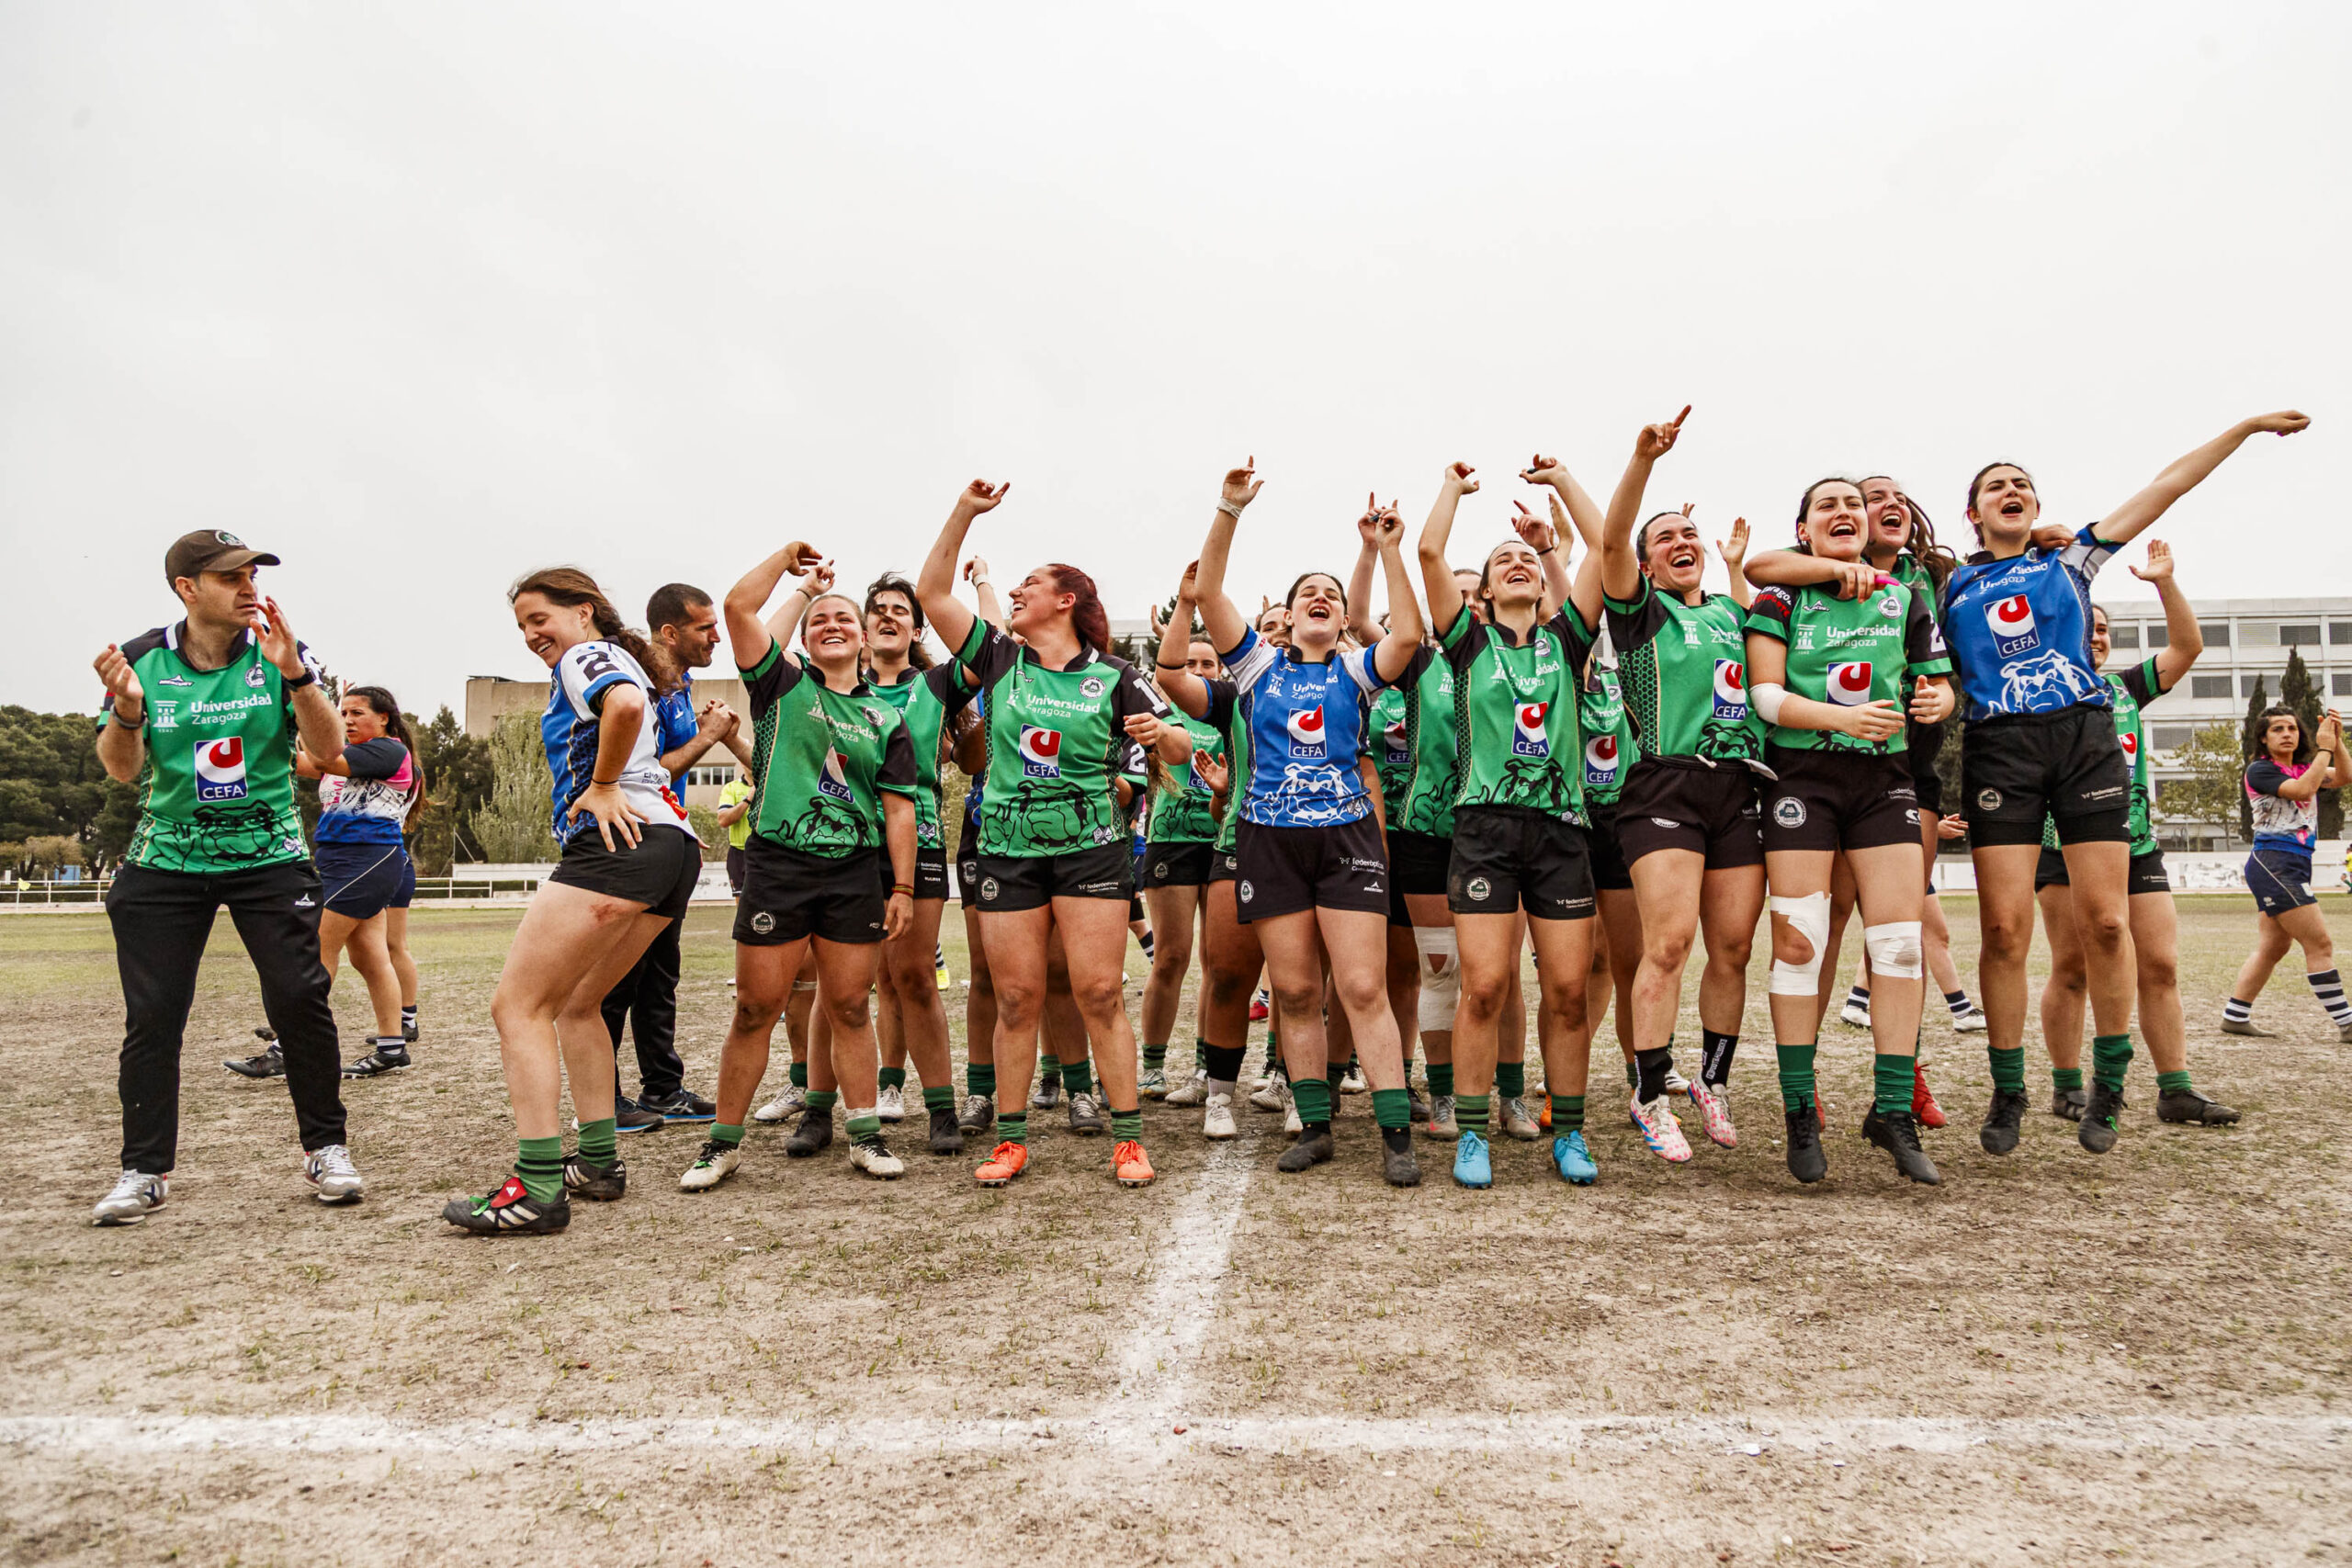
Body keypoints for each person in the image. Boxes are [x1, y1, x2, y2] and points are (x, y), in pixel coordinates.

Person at [1944, 412, 2309, 1156]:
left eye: (2022, 484)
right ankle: (2009, 1089)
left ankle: (2109, 1086)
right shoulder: (1947, 584)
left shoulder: (2073, 558)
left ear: (2035, 505)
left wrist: (2242, 430)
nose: (2011, 490)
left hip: (2083, 740)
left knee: (2109, 924)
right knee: (2004, 929)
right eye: (1995, 486)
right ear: (1972, 511)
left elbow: (2165, 486)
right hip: (1998, 748)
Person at [90, 530, 363, 1224]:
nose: (249, 588)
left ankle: (326, 1149)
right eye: (230, 577)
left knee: (300, 998)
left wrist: (295, 675)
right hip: (165, 861)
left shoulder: (283, 649)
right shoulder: (142, 658)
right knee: (154, 1015)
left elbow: (331, 750)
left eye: (252, 574)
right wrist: (127, 708)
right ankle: (144, 1170)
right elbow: (121, 769)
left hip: (268, 857)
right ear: (187, 588)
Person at [1162, 465, 1425, 1186]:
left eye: (1332, 595)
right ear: (1291, 609)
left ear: (1342, 620)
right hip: (1268, 840)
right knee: (1297, 990)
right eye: (1309, 590)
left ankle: (1395, 1133)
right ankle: (1314, 1127)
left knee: (1362, 987)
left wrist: (1389, 549)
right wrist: (1229, 508)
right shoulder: (1253, 667)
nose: (1321, 597)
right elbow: (1210, 592)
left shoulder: (1358, 671)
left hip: (1346, 840)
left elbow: (1409, 635)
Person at [917, 480, 1176, 1190]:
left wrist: (1164, 737)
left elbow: (1175, 741)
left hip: (1091, 850)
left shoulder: (1116, 675)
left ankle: (1128, 1139)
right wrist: (965, 512)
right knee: (1016, 999)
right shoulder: (1001, 658)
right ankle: (1011, 1140)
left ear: (1067, 600)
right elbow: (933, 591)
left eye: (1030, 584)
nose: (1016, 591)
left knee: (1099, 992)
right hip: (1006, 850)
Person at [442, 569, 700, 1235]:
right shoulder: (614, 656)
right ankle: (599, 1161)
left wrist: (604, 783)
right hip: (670, 846)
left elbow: (626, 707)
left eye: (540, 618)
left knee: (517, 1006)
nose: (532, 635)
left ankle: (536, 1188)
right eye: (522, 626)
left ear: (584, 611)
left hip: (620, 842)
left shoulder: (587, 656)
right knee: (581, 1004)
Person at [677, 547, 921, 1190]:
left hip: (853, 873)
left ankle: (864, 1134)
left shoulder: (887, 717)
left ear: (864, 638)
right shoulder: (781, 687)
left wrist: (901, 886)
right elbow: (739, 608)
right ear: (804, 640)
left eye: (844, 618)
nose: (831, 625)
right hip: (779, 867)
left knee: (850, 1006)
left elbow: (900, 811)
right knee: (755, 1008)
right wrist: (799, 580)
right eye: (819, 622)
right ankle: (721, 1145)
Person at [1744, 478, 1956, 1184]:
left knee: (1899, 943)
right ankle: (1799, 1109)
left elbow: (1938, 679)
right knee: (1799, 941)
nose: (1844, 512)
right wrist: (1843, 719)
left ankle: (1892, 1110)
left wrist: (1937, 698)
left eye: (1851, 504)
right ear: (1804, 530)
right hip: (1801, 779)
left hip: (1883, 780)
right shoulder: (1783, 594)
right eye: (1826, 505)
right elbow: (1765, 696)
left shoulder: (1904, 596)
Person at [1416, 456, 1606, 1189]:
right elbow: (1429, 552)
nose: (1518, 564)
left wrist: (1560, 490)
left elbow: (1606, 547)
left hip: (1560, 831)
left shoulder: (1568, 640)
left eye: (1526, 558)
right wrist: (1452, 490)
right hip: (1485, 832)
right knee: (1486, 987)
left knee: (1567, 990)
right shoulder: (1468, 643)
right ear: (1487, 591)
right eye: (1504, 562)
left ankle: (1570, 1130)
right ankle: (1471, 1133)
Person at [1589, 409, 1765, 1164]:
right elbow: (1608, 543)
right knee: (1668, 943)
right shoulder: (1640, 613)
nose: (1680, 541)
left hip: (1739, 789)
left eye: (1687, 532)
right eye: (1664, 538)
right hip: (1663, 787)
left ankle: (1712, 1081)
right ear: (1647, 565)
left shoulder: (1733, 610)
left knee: (1733, 946)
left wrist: (1734, 565)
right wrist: (1643, 461)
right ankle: (1650, 1092)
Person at [2036, 558, 2241, 1136]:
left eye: (2103, 629)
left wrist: (2165, 582)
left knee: (2161, 965)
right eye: (2087, 627)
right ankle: (2066, 1083)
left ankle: (2175, 1089)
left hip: (2135, 844)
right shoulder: (2036, 692)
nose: (2097, 637)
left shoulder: (2124, 689)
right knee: (2073, 968)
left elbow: (2188, 647)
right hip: (2063, 846)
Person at [600, 582, 745, 1133]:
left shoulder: (680, 686)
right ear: (669, 632)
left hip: (667, 841)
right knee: (617, 978)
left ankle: (662, 1088)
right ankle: (604, 1100)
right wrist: (708, 738)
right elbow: (648, 770)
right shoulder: (642, 686)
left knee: (660, 975)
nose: (716, 637)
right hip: (631, 839)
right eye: (705, 627)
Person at [222, 683, 422, 1080]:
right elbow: (300, 762)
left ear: (384, 718)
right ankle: (392, 1047)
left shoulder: (389, 750)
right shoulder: (351, 754)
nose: (347, 720)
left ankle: (287, 1048)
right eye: (342, 713)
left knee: (315, 952)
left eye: (356, 713)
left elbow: (322, 758)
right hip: (344, 862)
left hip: (365, 861)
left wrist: (309, 712)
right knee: (369, 958)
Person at [861, 570, 978, 1154]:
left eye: (900, 610)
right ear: (863, 629)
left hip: (921, 840)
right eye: (878, 609)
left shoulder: (934, 685)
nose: (888, 616)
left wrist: (979, 584)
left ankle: (941, 1108)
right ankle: (864, 1093)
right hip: (848, 844)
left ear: (916, 629)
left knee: (912, 976)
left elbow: (986, 648)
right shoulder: (832, 686)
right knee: (858, 982)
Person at [2222, 704, 2352, 1044]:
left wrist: (2337, 741)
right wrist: (2324, 749)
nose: (2286, 734)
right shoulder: (2260, 770)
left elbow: (2344, 777)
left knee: (2273, 947)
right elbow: (2302, 790)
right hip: (2274, 864)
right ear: (2264, 738)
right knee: (2320, 943)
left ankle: (2235, 1016)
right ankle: (2348, 1023)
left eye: (2292, 728)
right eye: (2277, 729)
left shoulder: (2305, 768)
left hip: (2291, 864)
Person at [1136, 623, 1228, 1100]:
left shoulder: (1229, 715)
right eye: (1189, 663)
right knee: (1171, 957)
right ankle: (1153, 1066)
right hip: (1170, 842)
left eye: (1207, 664)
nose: (1197, 669)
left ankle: (1203, 1069)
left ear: (1221, 671)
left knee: (1217, 963)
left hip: (1221, 843)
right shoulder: (1161, 711)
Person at [717, 770, 755, 896]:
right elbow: (723, 820)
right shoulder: (731, 788)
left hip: (766, 852)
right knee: (741, 901)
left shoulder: (771, 785)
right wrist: (748, 799)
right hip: (738, 853)